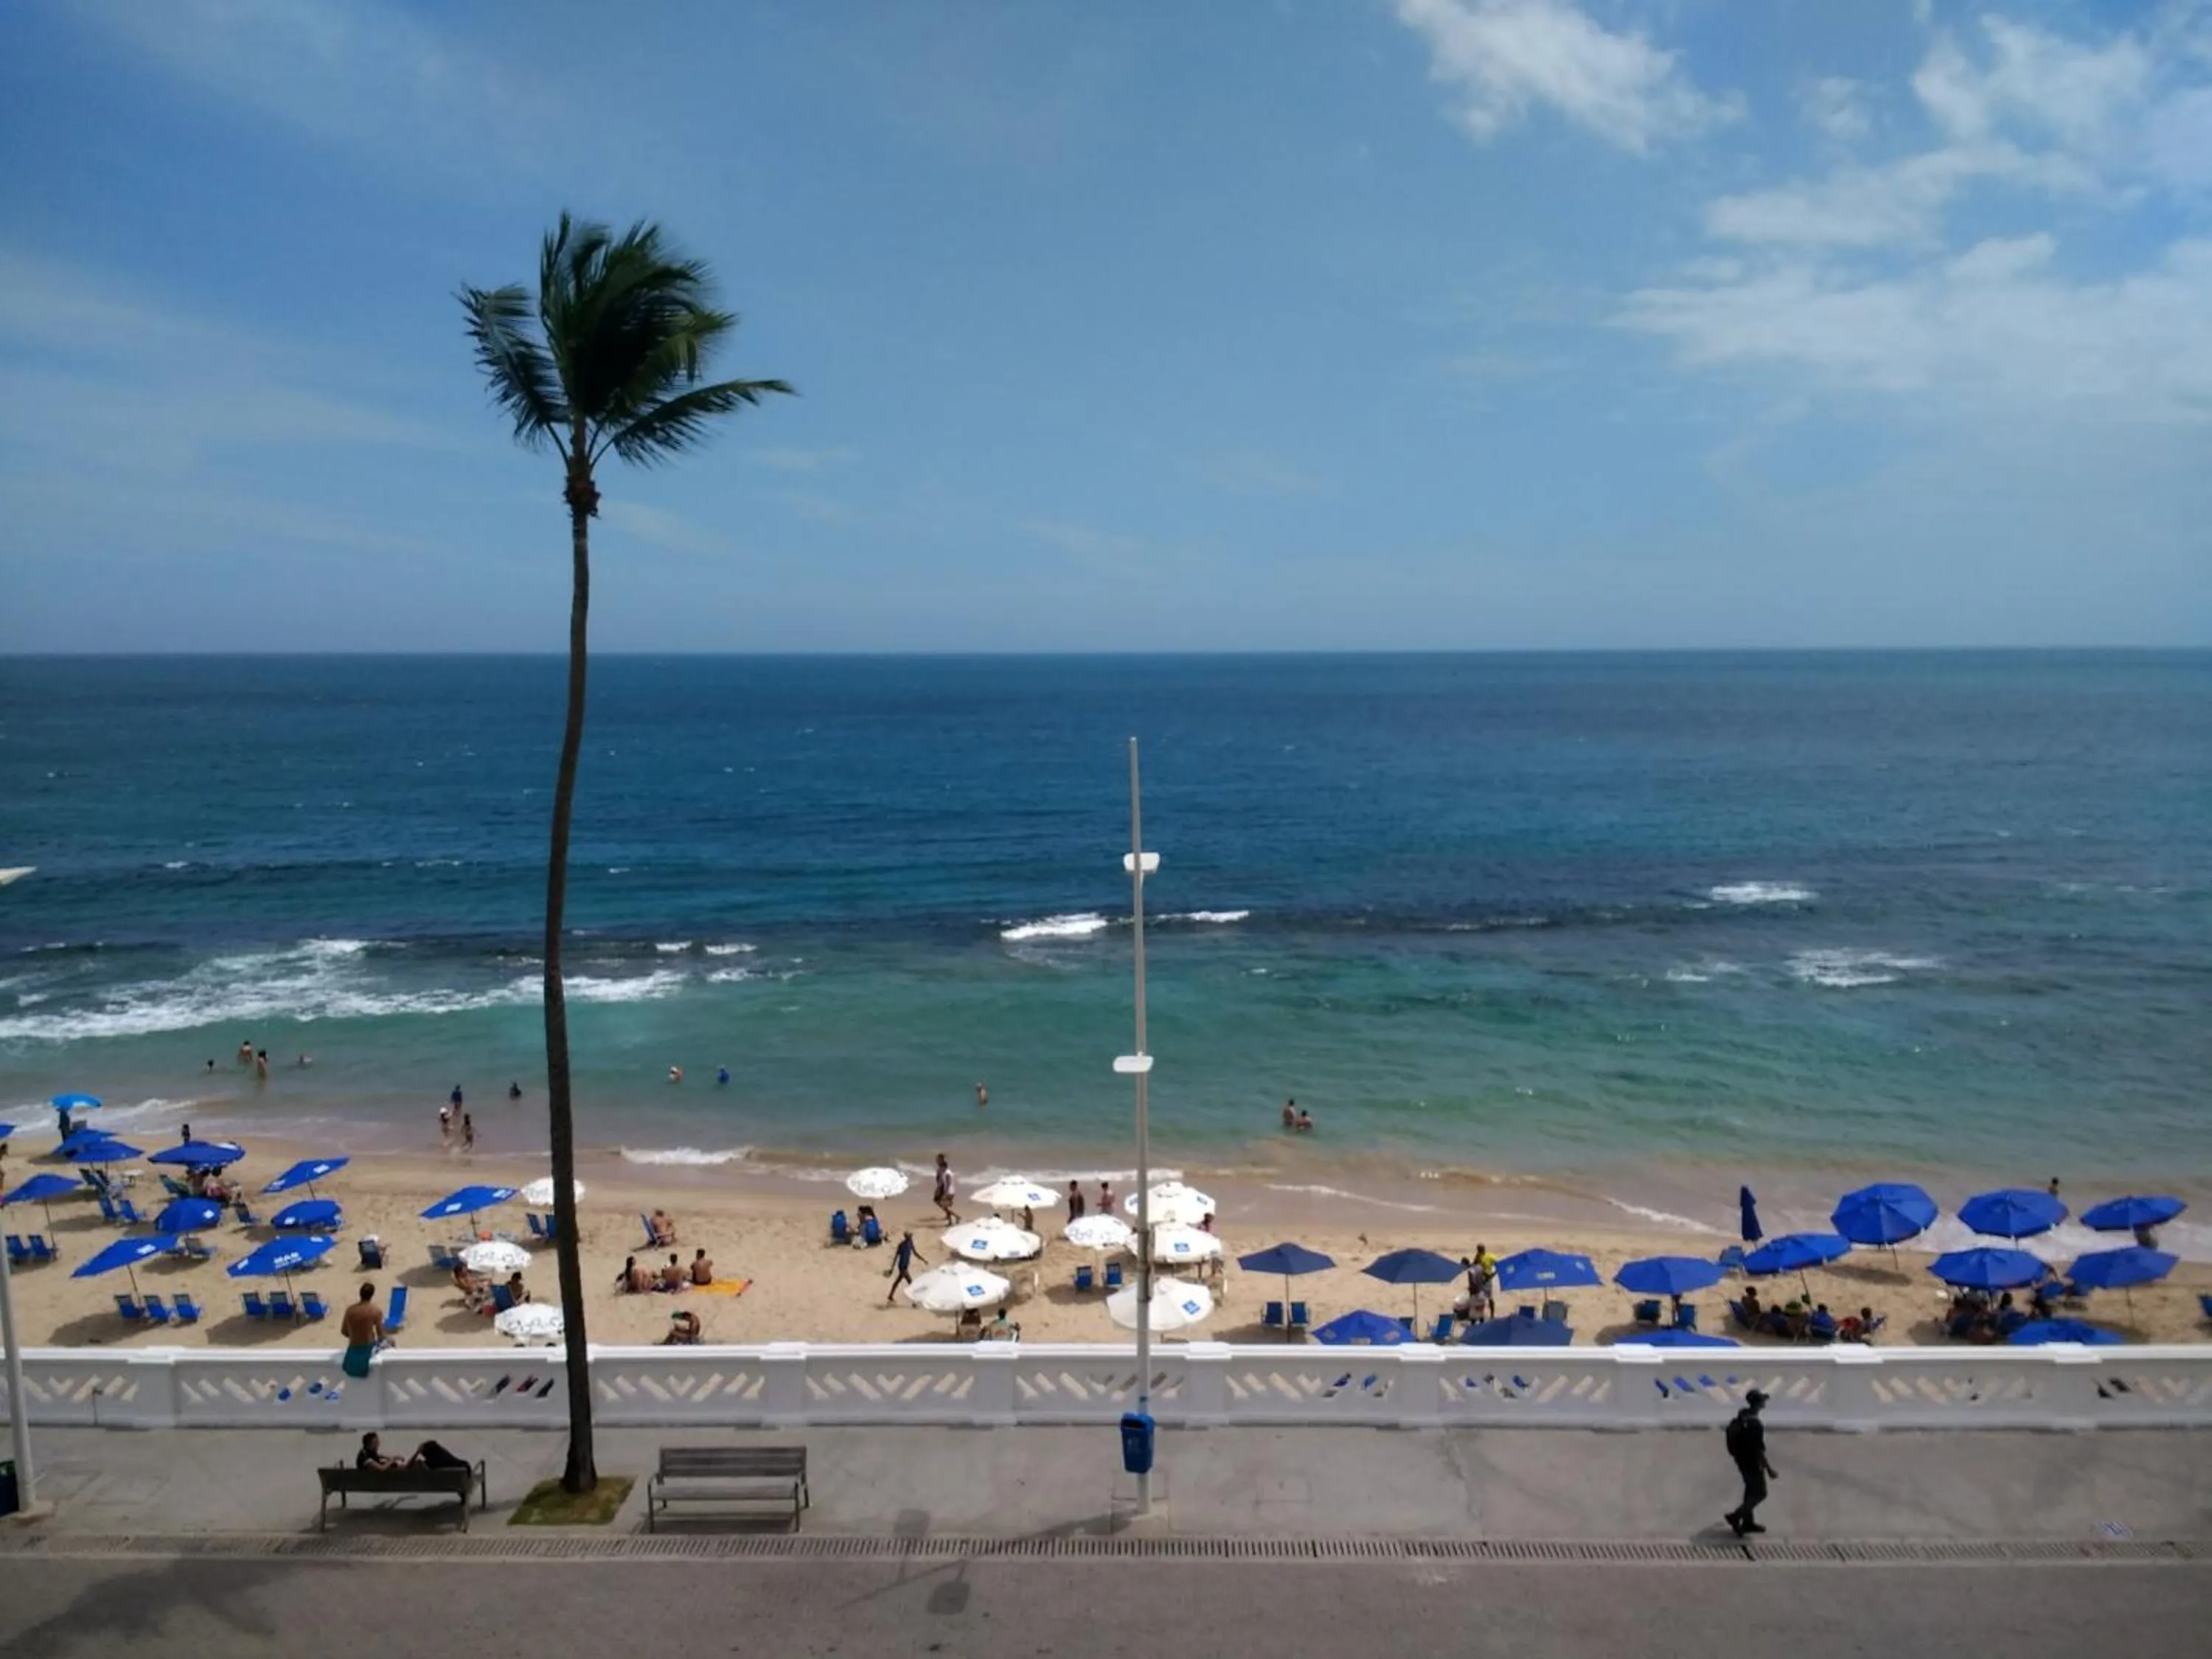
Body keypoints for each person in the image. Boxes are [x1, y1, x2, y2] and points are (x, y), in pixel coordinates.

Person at [1722, 1391, 1777, 1537]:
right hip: (1751, 1463)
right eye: (1762, 1400)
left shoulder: (1742, 1415)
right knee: (1760, 1493)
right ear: (1758, 1404)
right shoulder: (1755, 1425)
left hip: (1741, 1460)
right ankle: (1736, 1516)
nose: (1764, 1402)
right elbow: (1759, 1451)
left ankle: (1748, 1522)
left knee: (1750, 1490)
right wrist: (1770, 1469)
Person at [357, 1431, 467, 1472]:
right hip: (401, 1473)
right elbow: (382, 1469)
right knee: (434, 1453)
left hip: (399, 1470)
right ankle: (425, 1449)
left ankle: (428, 1449)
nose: (379, 1443)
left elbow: (378, 1456)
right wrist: (393, 1460)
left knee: (435, 1451)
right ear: (370, 1444)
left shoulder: (365, 1453)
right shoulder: (368, 1460)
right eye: (376, 1442)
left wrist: (391, 1457)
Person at [341, 1283, 384, 1377]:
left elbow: (344, 1332)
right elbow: (381, 1335)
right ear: (372, 1295)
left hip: (352, 1348)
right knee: (391, 1342)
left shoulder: (350, 1310)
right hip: (368, 1349)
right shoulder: (375, 1311)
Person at [886, 1231, 925, 1303]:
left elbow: (915, 1253)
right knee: (911, 1283)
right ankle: (915, 1301)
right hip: (902, 1267)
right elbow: (896, 1257)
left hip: (905, 1266)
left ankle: (890, 1295)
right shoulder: (902, 1245)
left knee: (897, 1282)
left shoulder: (910, 1243)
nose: (911, 1238)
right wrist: (892, 1268)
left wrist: (923, 1260)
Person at [933, 1153, 958, 1223]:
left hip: (947, 1191)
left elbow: (944, 1183)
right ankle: (951, 1218)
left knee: (944, 1205)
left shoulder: (944, 1171)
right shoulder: (947, 1171)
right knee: (945, 1205)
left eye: (938, 1159)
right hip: (949, 1190)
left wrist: (940, 1191)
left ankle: (955, 1217)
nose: (937, 1161)